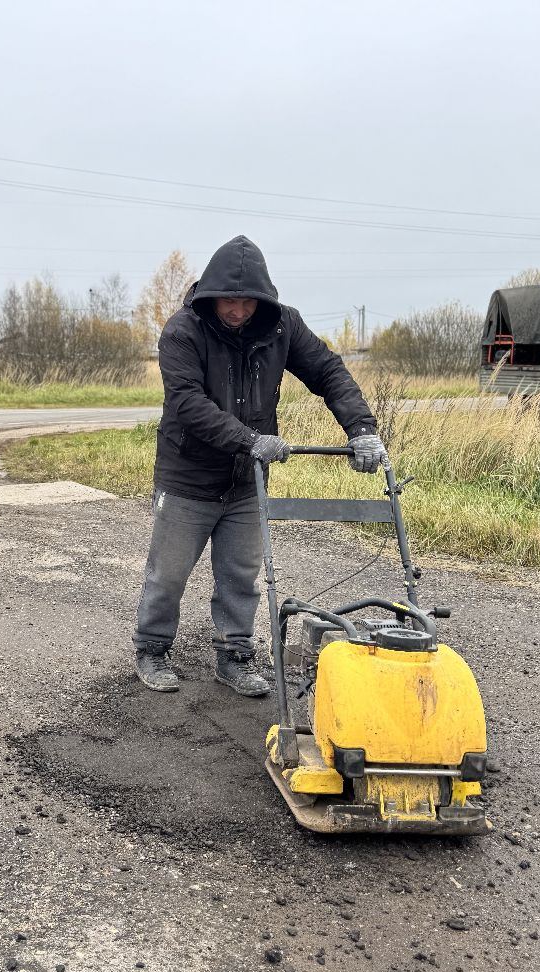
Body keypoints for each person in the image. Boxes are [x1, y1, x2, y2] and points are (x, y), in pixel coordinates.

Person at [133, 235, 386, 697]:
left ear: (263, 299)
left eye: (248, 301)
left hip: (247, 483)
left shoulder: (282, 326)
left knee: (242, 574)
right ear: (211, 294)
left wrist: (362, 429)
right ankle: (151, 648)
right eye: (229, 300)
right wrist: (249, 440)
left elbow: (329, 371)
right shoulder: (181, 331)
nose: (238, 310)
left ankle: (234, 657)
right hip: (188, 476)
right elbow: (188, 403)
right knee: (168, 574)